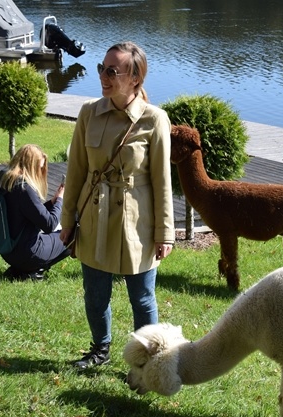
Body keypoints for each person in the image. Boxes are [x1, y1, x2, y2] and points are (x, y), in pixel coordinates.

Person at [60, 41, 175, 369]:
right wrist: (67, 219)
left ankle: (146, 363)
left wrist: (164, 232)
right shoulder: (88, 113)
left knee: (142, 298)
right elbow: (77, 171)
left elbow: (161, 181)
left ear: (135, 79)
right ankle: (100, 350)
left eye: (112, 71)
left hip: (136, 224)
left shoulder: (154, 120)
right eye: (102, 68)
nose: (104, 76)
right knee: (95, 295)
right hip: (94, 217)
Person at [0, 144, 70, 281]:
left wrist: (52, 202)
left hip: (8, 250)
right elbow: (49, 224)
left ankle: (18, 270)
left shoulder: (4, 180)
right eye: (39, 168)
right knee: (73, 233)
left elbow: (27, 212)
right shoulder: (24, 187)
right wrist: (60, 200)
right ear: (31, 166)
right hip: (28, 252)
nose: (41, 172)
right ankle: (32, 270)